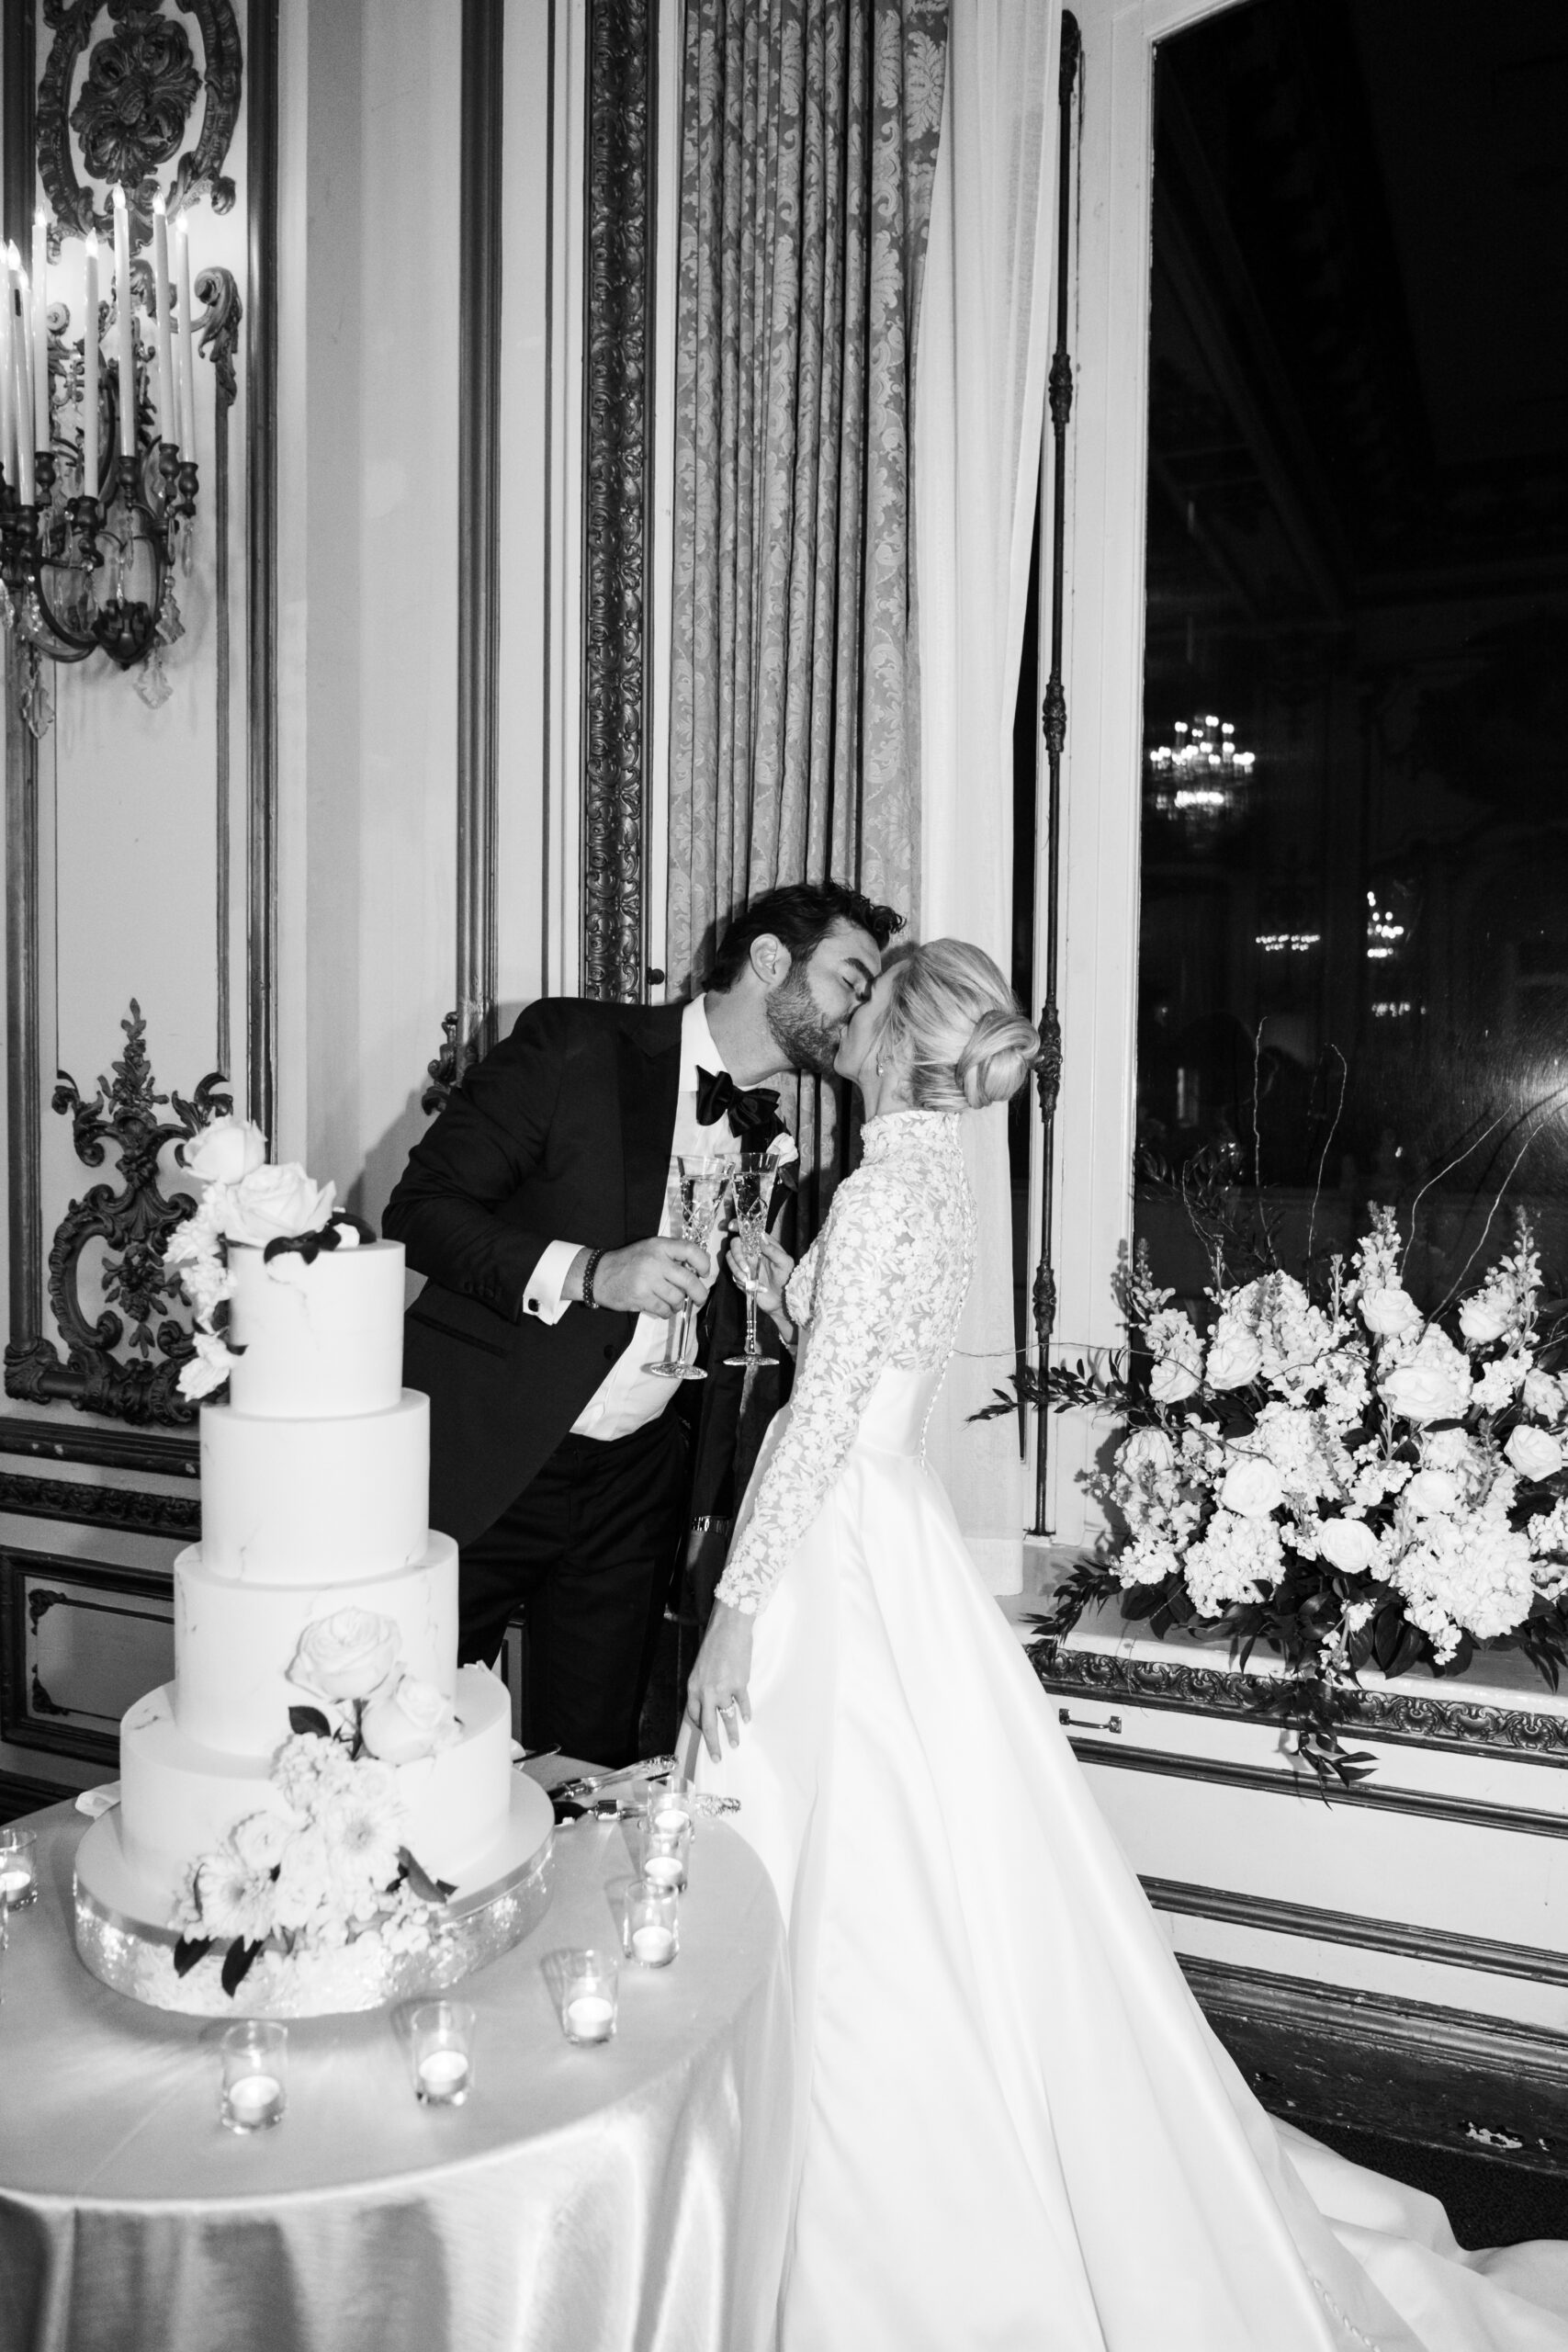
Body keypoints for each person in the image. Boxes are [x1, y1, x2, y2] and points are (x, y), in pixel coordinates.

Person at [687, 938, 1568, 2352]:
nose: (838, 1023)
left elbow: (812, 1425)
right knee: (942, 1867)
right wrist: (773, 1274)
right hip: (891, 1529)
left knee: (847, 1868)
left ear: (890, 1042)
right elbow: (857, 1364)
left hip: (837, 1551)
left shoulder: (873, 1189)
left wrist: (732, 1622)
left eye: (860, 1005)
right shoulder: (934, 1179)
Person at [382, 880, 902, 1770]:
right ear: (772, 960)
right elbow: (418, 1208)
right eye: (851, 979)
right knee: (409, 1745)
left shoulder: (771, 1138)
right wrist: (589, 1272)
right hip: (490, 1458)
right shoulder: (576, 1045)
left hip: (635, 1486)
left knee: (586, 1767)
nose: (860, 1007)